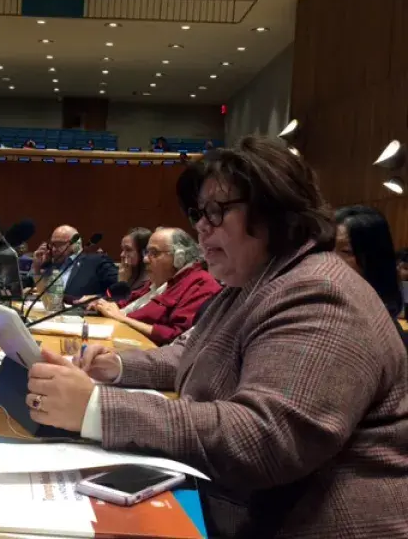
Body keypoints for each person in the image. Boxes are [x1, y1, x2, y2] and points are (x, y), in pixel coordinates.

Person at [25, 137, 408, 538]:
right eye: (199, 213)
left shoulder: (321, 293)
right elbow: (188, 353)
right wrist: (114, 367)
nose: (201, 227)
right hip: (241, 508)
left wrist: (97, 408)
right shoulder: (255, 282)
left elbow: (264, 437)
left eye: (216, 211)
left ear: (274, 210)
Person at [94, 227, 222, 344]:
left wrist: (121, 318)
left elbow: (177, 337)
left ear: (179, 257)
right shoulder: (160, 281)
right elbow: (128, 302)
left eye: (154, 253)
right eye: (146, 252)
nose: (145, 259)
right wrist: (103, 305)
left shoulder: (200, 284)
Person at [334, 205, 408, 347]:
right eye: (326, 248)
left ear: (376, 260)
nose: (328, 258)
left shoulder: (385, 334)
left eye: (346, 251)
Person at [30, 225, 118, 300]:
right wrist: (37, 267)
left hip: (82, 312)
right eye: (52, 244)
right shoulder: (50, 264)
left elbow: (119, 290)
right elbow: (40, 294)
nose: (53, 249)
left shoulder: (96, 262)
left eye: (59, 244)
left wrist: (95, 298)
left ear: (76, 244)